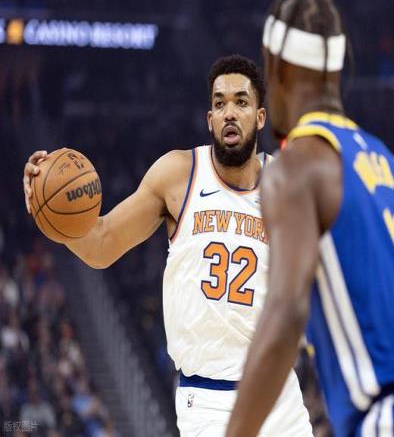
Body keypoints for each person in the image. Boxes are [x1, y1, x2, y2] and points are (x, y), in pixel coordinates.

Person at [227, 0, 394, 437]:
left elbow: (286, 312)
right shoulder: (388, 162)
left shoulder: (297, 165)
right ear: (335, 72)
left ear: (276, 68)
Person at [22, 55, 312, 436]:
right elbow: (102, 243)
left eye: (241, 102)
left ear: (259, 117)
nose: (229, 112)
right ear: (210, 119)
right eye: (220, 103)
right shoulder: (178, 174)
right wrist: (50, 216)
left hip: (280, 398)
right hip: (207, 402)